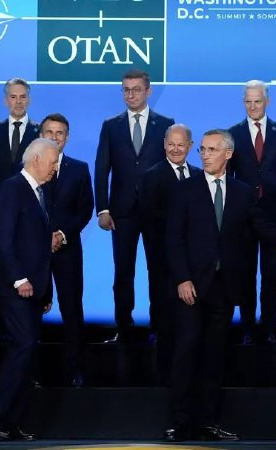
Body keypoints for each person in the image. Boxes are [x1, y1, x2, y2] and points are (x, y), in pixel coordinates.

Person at [163, 129, 276, 442]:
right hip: (191, 287)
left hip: (223, 288)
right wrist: (182, 278)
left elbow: (265, 230)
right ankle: (179, 422)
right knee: (186, 353)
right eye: (202, 149)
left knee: (215, 356)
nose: (204, 155)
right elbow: (173, 238)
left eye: (212, 149)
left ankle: (208, 422)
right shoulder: (185, 189)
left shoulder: (242, 192)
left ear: (228, 154)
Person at [0, 138, 59, 441]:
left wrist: (45, 291)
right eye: (52, 161)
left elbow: (40, 248)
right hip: (14, 288)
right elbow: (2, 240)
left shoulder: (40, 193)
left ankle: (12, 420)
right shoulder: (12, 189)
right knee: (23, 346)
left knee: (28, 350)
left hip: (34, 289)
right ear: (36, 159)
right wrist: (19, 280)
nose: (55, 168)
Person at [94, 69, 175, 343]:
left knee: (159, 272)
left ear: (148, 91)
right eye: (126, 89)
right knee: (123, 272)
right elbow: (101, 169)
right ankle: (124, 328)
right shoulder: (111, 126)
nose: (131, 94)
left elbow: (171, 168)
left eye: (136, 89)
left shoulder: (166, 125)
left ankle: (159, 329)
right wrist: (103, 209)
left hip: (157, 213)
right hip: (121, 212)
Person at [227, 80, 276, 344]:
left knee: (272, 273)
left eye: (257, 101)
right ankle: (247, 328)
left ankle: (268, 328)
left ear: (267, 101)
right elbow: (227, 176)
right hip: (243, 215)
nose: (253, 106)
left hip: (274, 214)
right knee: (245, 273)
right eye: (248, 101)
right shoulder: (232, 133)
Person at [0, 78, 40, 342]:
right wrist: (3, 202)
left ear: (29, 99)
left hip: (30, 218)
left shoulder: (39, 132)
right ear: (5, 100)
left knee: (29, 267)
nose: (18, 101)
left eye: (23, 96)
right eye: (13, 97)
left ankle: (27, 327)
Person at [140, 124, 201, 383]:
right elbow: (148, 217)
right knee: (165, 317)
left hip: (194, 261)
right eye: (171, 144)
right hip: (163, 260)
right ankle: (163, 376)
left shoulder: (198, 175)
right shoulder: (151, 176)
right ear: (164, 144)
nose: (175, 149)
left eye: (181, 145)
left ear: (190, 146)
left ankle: (190, 372)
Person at [40, 114, 93, 387]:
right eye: (49, 132)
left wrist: (61, 235)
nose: (54, 137)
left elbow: (85, 209)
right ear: (41, 135)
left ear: (67, 137)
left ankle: (75, 370)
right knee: (31, 312)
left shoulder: (79, 169)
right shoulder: (27, 168)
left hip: (68, 249)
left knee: (72, 310)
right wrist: (41, 237)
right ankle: (32, 371)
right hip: (34, 252)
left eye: (59, 133)